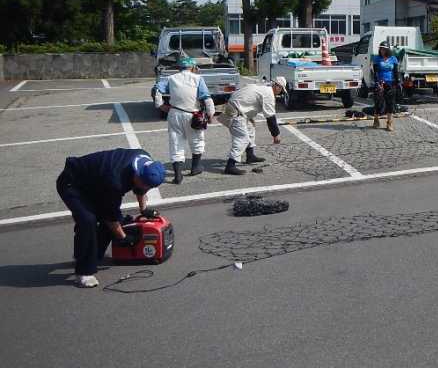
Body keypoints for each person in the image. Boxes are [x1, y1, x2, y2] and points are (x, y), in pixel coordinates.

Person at [56, 148, 165, 288]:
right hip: (73, 183)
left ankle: (91, 256)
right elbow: (110, 216)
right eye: (143, 183)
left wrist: (143, 209)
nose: (145, 188)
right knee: (88, 220)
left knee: (112, 220)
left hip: (97, 184)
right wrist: (123, 237)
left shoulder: (145, 161)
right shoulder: (115, 179)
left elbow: (141, 188)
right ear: (138, 173)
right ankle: (84, 272)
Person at [154, 56, 215, 184]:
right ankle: (195, 167)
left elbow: (157, 90)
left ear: (179, 67)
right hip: (193, 115)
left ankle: (178, 175)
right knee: (197, 140)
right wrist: (210, 114)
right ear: (193, 67)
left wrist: (160, 105)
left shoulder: (171, 78)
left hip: (174, 114)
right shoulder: (198, 78)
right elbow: (207, 98)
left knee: (176, 142)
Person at [218, 76, 286, 175]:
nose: (280, 93)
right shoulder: (269, 94)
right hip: (236, 112)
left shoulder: (263, 86)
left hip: (236, 107)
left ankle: (250, 156)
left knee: (250, 128)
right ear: (278, 87)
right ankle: (230, 166)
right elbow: (270, 117)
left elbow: (249, 98)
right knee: (242, 138)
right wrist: (276, 135)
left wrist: (249, 116)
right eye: (282, 90)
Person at [372, 41, 399, 131]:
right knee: (378, 102)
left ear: (388, 49)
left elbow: (396, 72)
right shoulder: (377, 58)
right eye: (381, 49)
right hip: (380, 83)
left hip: (390, 83)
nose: (382, 50)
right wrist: (377, 82)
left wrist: (396, 82)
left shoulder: (393, 59)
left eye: (384, 49)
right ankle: (376, 120)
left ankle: (389, 122)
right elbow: (375, 72)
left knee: (390, 103)